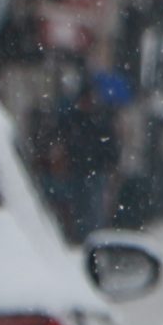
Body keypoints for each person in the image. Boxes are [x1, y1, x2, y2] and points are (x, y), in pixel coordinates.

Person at [59, 74, 122, 238]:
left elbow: (110, 145)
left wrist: (109, 163)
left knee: (92, 209)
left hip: (94, 170)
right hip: (81, 170)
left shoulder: (98, 119)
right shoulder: (78, 119)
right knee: (83, 208)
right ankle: (85, 238)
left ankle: (91, 238)